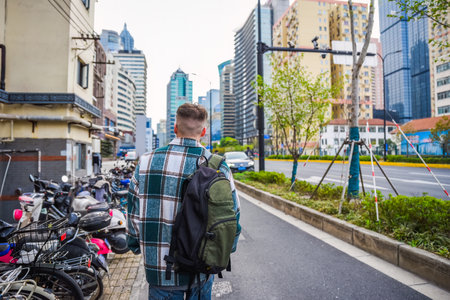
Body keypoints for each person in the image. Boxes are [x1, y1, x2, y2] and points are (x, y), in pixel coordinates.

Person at [127, 103, 241, 300]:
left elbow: (133, 216)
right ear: (204, 131)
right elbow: (234, 216)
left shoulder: (145, 162)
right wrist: (225, 249)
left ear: (175, 128)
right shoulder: (218, 165)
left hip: (159, 270)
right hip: (201, 267)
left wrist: (135, 244)